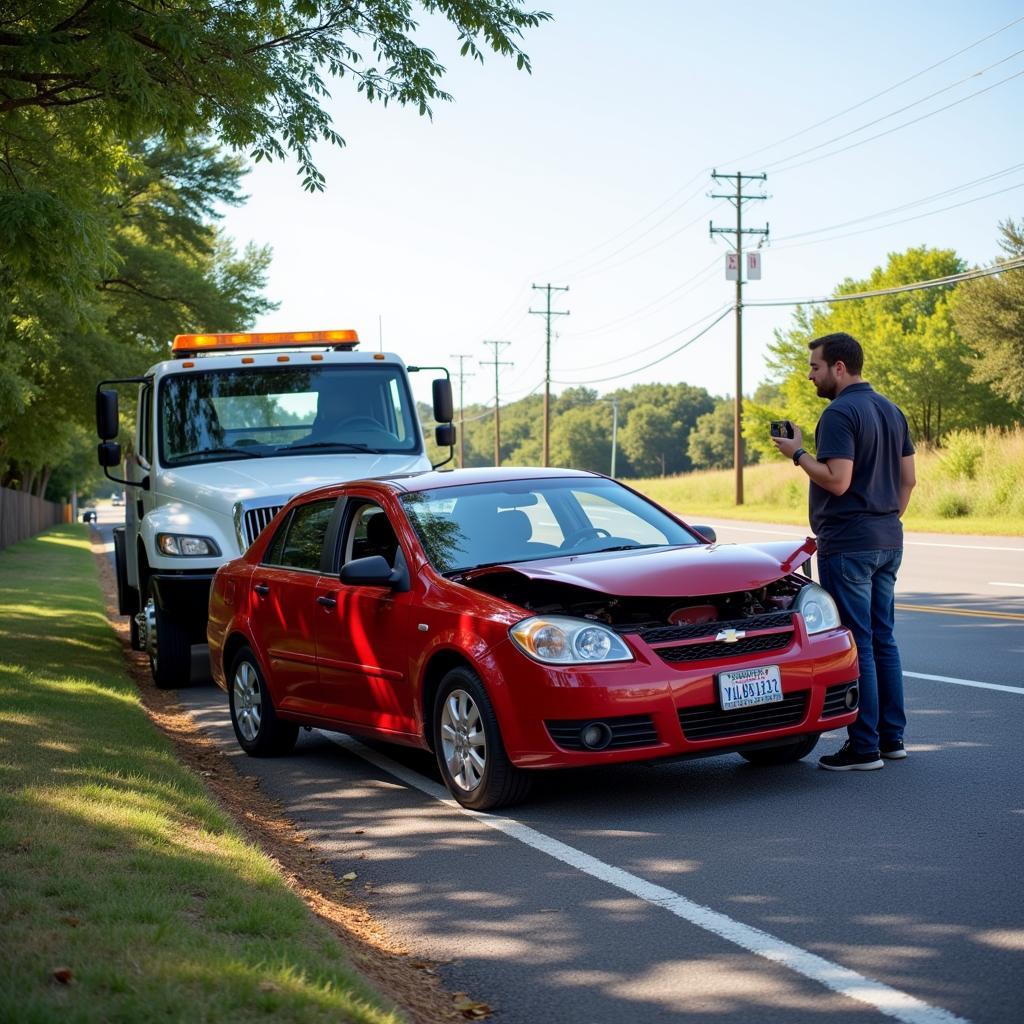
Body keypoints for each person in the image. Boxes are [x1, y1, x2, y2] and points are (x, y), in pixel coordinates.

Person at [771, 332, 916, 772]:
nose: (810, 374)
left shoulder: (839, 413)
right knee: (884, 638)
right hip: (888, 538)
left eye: (815, 366)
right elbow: (908, 480)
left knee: (861, 643)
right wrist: (884, 520)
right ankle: (892, 739)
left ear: (838, 367)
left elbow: (837, 480)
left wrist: (797, 454)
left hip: (849, 543)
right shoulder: (891, 410)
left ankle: (865, 747)